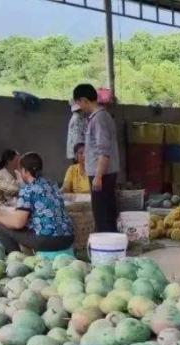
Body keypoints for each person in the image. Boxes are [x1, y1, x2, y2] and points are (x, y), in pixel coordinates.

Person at [0, 152, 74, 253]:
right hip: (68, 238)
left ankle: (16, 258)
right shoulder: (52, 184)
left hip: (47, 240)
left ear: (24, 171)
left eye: (20, 170)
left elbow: (18, 223)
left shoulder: (27, 190)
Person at [72, 83, 120, 233]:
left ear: (85, 100)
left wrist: (98, 176)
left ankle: (107, 248)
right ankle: (110, 245)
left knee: (102, 215)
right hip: (102, 173)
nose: (79, 107)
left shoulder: (99, 118)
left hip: (103, 174)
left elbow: (103, 150)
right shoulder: (97, 117)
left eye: (79, 103)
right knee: (105, 212)